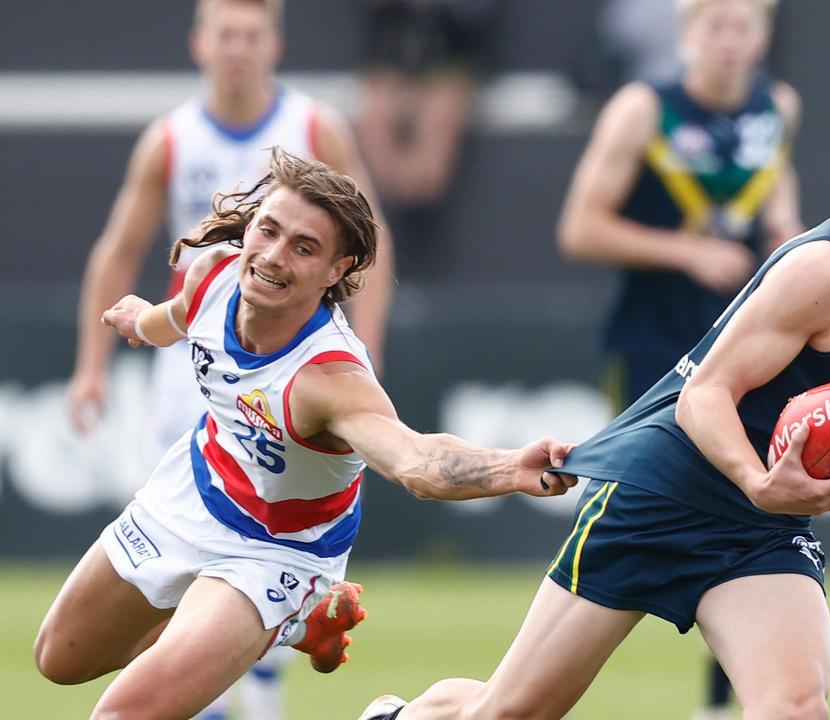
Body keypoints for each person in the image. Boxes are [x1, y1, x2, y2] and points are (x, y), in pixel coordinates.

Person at [359, 73, 830, 720]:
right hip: (660, 499)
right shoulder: (828, 269)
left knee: (796, 708)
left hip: (758, 529)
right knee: (507, 714)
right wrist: (759, 482)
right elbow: (703, 397)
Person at [34, 148, 577, 720]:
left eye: (304, 247)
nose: (272, 257)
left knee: (120, 716)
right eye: (267, 231)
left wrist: (511, 467)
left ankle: (285, 613)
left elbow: (414, 460)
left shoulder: (330, 378)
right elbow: (177, 318)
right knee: (58, 659)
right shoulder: (213, 273)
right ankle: (278, 626)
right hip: (192, 489)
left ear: (336, 271)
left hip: (274, 551)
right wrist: (138, 321)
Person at [64, 1, 395, 716]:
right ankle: (287, 630)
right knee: (177, 559)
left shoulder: (314, 128)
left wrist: (366, 353)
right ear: (199, 45)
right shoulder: (171, 138)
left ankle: (256, 690)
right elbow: (119, 246)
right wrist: (91, 363)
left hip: (289, 365)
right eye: (227, 36)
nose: (239, 50)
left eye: (252, 35)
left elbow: (368, 238)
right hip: (199, 359)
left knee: (262, 540)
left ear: (273, 44)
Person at [557, 0, 800, 714]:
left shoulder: (777, 107)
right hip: (655, 348)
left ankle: (726, 701)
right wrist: (685, 252)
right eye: (714, 26)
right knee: (625, 517)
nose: (729, 42)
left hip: (753, 353)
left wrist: (800, 251)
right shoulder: (642, 109)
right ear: (687, 33)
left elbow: (778, 212)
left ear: (764, 33)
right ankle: (526, 684)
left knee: (757, 514)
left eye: (744, 26)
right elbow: (580, 228)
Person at [355, 0, 496, 207]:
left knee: (440, 112)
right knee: (375, 114)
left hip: (451, 58)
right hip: (394, 58)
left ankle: (415, 191)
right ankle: (388, 202)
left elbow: (474, 15)